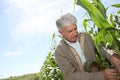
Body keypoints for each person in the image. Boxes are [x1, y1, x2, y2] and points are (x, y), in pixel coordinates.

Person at [54, 13, 120, 80]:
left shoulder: (86, 37)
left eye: (75, 28)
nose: (75, 33)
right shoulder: (60, 52)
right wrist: (101, 76)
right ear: (61, 33)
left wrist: (112, 56)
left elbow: (101, 48)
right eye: (70, 31)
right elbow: (71, 76)